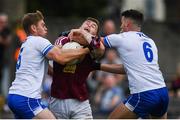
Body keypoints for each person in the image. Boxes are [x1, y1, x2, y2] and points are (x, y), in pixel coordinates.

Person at [69, 9, 169, 119]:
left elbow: (95, 42)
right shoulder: (150, 42)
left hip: (144, 94)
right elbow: (126, 69)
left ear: (127, 24)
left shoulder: (122, 38)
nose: (120, 27)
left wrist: (74, 33)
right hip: (163, 92)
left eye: (121, 23)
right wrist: (97, 66)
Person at [7, 10, 90, 119]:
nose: (46, 28)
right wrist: (86, 50)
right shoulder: (39, 41)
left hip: (14, 95)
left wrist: (64, 75)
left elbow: (49, 70)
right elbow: (61, 57)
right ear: (34, 28)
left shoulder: (27, 43)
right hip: (26, 98)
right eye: (42, 25)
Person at [49, 17, 105, 119]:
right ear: (79, 27)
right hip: (57, 100)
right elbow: (59, 56)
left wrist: (82, 32)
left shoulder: (94, 49)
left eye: (93, 26)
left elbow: (99, 48)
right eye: (87, 23)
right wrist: (84, 47)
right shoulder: (63, 39)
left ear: (95, 35)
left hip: (80, 102)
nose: (89, 25)